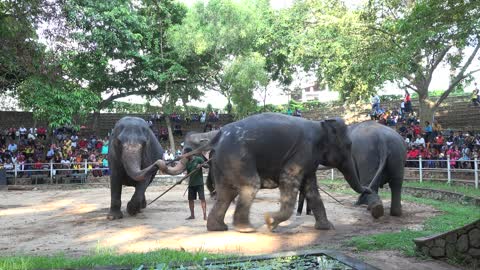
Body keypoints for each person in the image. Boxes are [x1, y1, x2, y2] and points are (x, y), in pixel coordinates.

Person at [184, 147, 207, 220]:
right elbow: (188, 174)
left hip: (199, 183)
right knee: (190, 200)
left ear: (189, 153)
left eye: (185, 153)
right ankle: (192, 215)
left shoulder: (198, 159)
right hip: (191, 184)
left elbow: (207, 166)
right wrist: (184, 177)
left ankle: (205, 215)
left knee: (202, 199)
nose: (184, 155)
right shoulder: (187, 163)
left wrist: (201, 165)